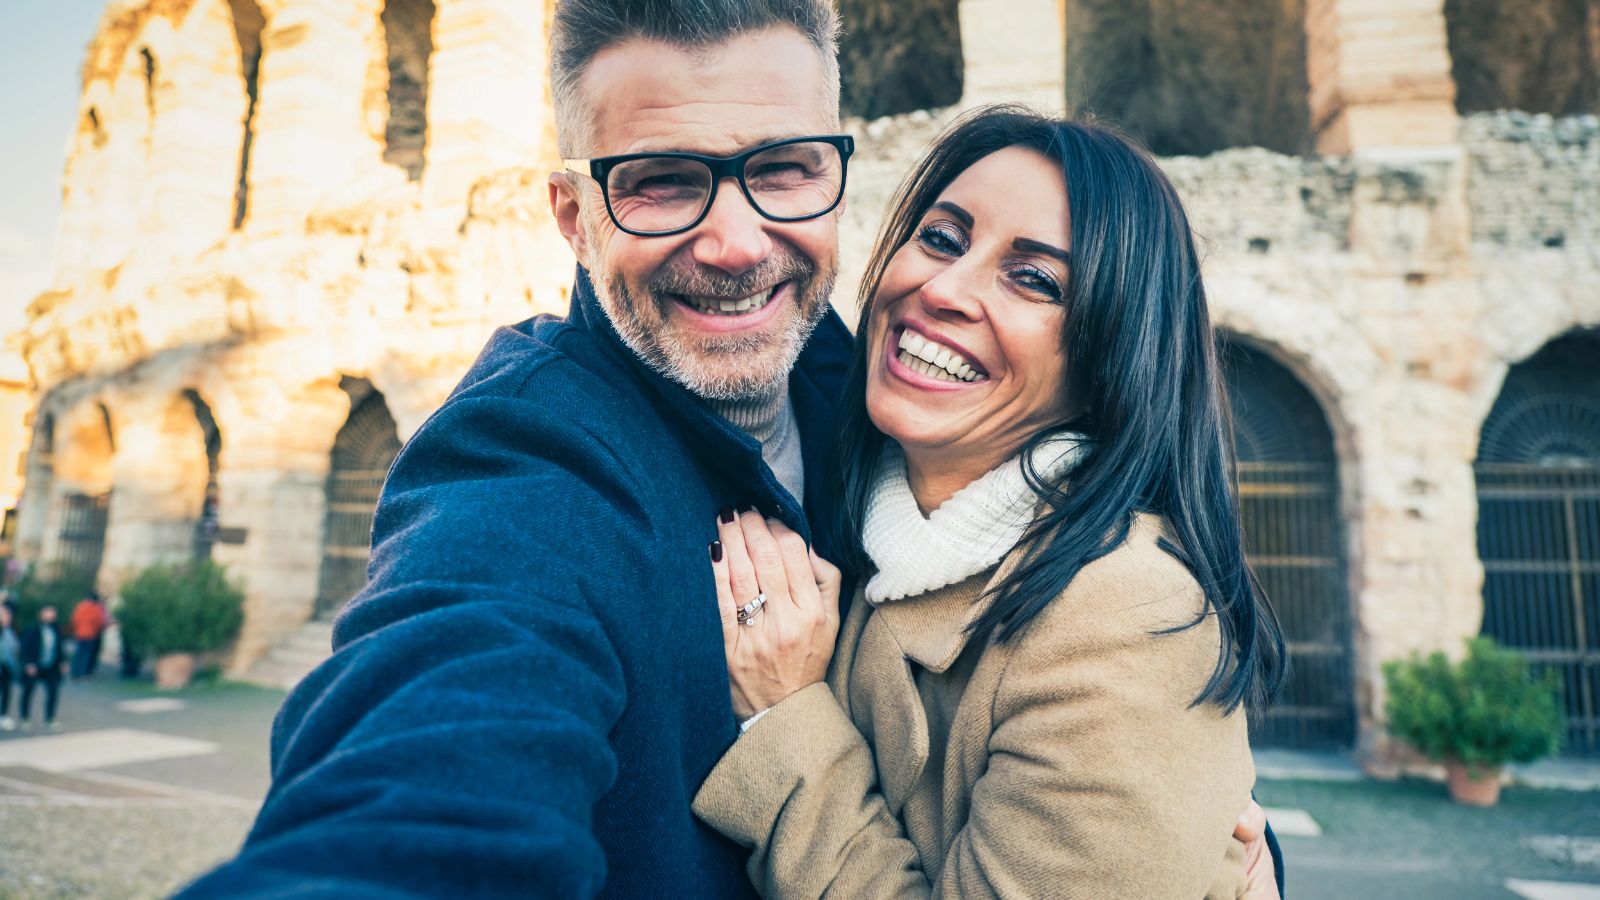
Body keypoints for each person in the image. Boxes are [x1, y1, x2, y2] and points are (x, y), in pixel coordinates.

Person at [180, 3, 1281, 896]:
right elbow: (438, 762)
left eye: (786, 169)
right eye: (661, 181)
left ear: (837, 178)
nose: (736, 243)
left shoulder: (855, 391)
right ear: (572, 215)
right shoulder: (528, 466)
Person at [695, 108, 1287, 898]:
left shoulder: (1126, 617)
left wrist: (788, 714)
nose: (943, 288)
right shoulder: (870, 520)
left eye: (1035, 279)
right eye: (941, 237)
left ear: (1111, 354)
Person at [20, 605, 66, 731]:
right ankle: (25, 718)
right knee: (28, 691)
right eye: (47, 612)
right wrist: (28, 664)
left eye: (52, 612)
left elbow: (59, 648)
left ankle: (50, 718)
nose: (50, 614)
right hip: (35, 666)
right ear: (41, 613)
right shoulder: (33, 629)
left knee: (53, 691)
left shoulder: (56, 629)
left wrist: (62, 662)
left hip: (50, 666)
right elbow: (25, 648)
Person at [70, 590, 108, 679]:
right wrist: (97, 629)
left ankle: (75, 672)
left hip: (80, 633)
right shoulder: (96, 608)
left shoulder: (80, 606)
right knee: (86, 654)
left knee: (79, 653)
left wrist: (77, 629)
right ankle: (82, 673)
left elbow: (74, 619)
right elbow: (99, 621)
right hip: (91, 634)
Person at [0, 604, 20, 731]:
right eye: (5, 614)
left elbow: (14, 649)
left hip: (6, 667)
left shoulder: (9, 631)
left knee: (6, 692)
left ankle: (3, 716)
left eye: (8, 615)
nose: (8, 617)